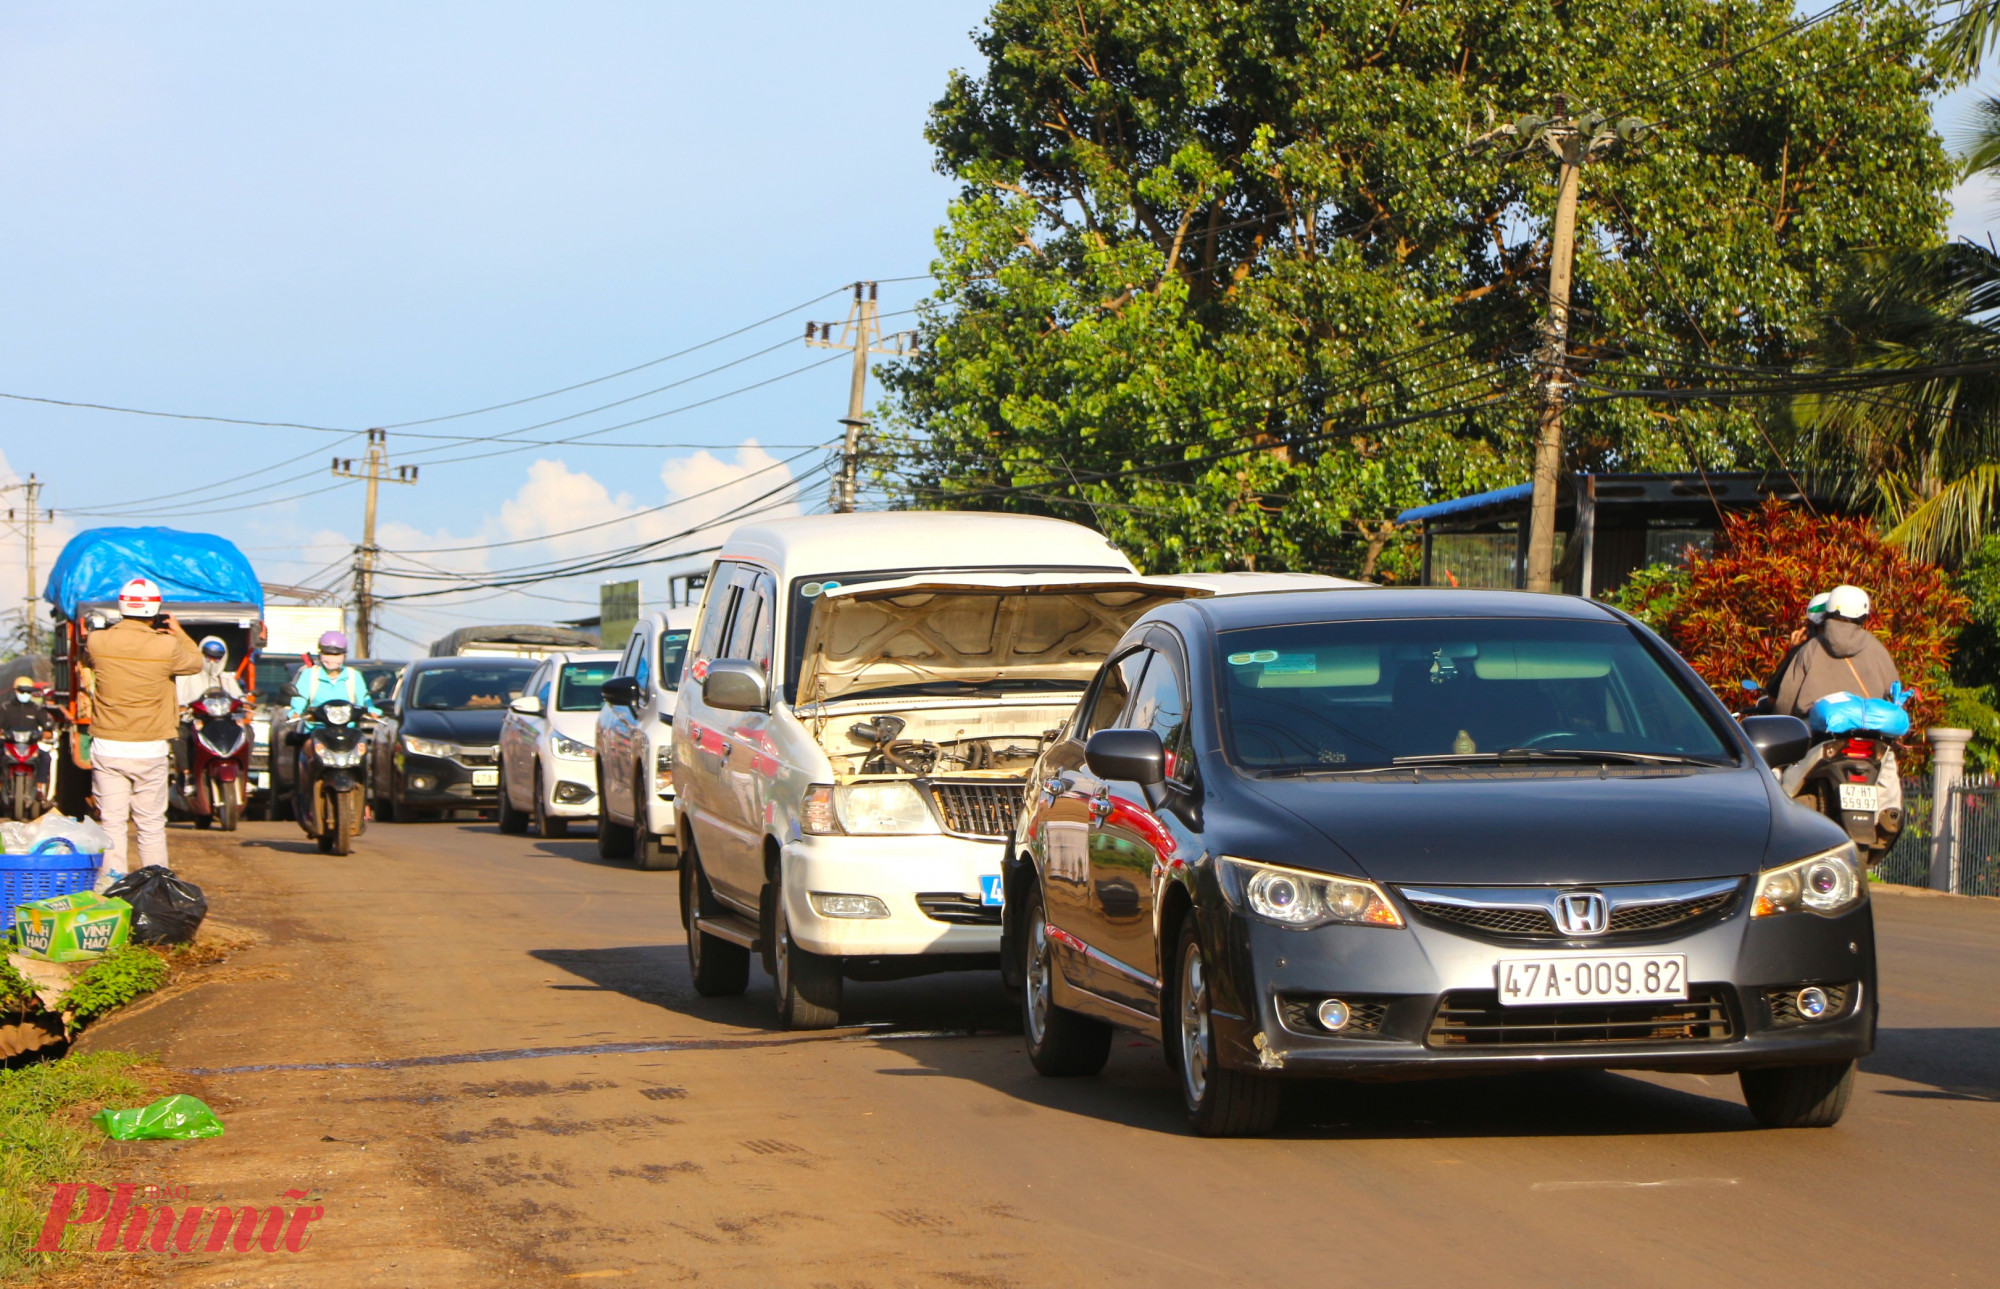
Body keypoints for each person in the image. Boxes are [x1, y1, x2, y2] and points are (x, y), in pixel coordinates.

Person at [77, 577, 203, 874]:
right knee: (150, 825)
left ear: (121, 606)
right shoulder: (167, 646)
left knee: (112, 823)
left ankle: (110, 887)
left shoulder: (97, 641)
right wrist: (179, 631)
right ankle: (155, 887)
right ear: (156, 609)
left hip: (108, 746)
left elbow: (88, 660)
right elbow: (196, 663)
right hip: (150, 748)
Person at [288, 632, 378, 824]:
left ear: (344, 655)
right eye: (327, 653)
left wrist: (372, 710)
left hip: (348, 732)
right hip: (317, 730)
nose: (331, 658)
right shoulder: (309, 675)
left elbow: (365, 700)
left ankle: (364, 801)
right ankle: (307, 801)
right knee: (307, 754)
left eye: (336, 654)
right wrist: (296, 711)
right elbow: (299, 699)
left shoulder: (354, 676)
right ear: (320, 654)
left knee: (364, 757)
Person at [1772, 584, 1900, 717]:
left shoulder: (1810, 649)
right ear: (1863, 616)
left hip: (1818, 732)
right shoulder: (1876, 648)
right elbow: (1894, 693)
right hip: (1871, 728)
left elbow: (1786, 702)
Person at [1, 676, 60, 799]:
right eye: (22, 691)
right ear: (15, 691)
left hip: (31, 746)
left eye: (28, 692)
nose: (25, 694)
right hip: (9, 745)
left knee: (46, 758)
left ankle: (39, 788)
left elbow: (47, 727)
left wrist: (46, 733)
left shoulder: (36, 709)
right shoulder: (5, 708)